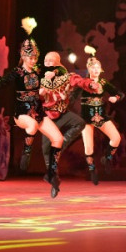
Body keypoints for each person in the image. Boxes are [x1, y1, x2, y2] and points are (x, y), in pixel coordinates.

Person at [0, 18, 65, 198]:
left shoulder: (39, 70)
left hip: (38, 112)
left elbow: (61, 71)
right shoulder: (17, 72)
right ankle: (26, 152)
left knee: (58, 138)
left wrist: (54, 72)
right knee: (32, 126)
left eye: (35, 57)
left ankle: (51, 173)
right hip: (22, 113)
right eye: (30, 57)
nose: (33, 60)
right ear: (23, 56)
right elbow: (1, 83)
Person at [76, 47, 123, 186]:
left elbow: (120, 93)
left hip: (100, 116)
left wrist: (115, 98)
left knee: (116, 138)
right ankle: (92, 170)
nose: (96, 70)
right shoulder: (83, 83)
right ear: (89, 69)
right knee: (88, 148)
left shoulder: (103, 83)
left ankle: (107, 157)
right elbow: (72, 95)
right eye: (93, 67)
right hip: (86, 119)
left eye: (98, 67)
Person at [39, 51, 86, 182]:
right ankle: (52, 174)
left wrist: (86, 84)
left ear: (57, 62)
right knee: (46, 148)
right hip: (47, 117)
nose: (47, 63)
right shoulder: (42, 80)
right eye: (46, 61)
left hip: (62, 113)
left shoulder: (63, 75)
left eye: (51, 61)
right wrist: (40, 93)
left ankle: (63, 142)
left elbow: (69, 75)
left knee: (79, 123)